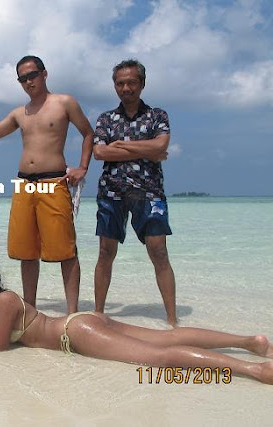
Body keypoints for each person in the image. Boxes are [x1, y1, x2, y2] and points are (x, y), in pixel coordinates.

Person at [0, 253, 273, 384]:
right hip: (81, 323)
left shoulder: (4, 301)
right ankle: (250, 342)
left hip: (75, 333)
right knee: (164, 339)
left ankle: (254, 371)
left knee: (160, 358)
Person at [0, 55, 94, 313]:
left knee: (66, 251)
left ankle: (72, 314)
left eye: (33, 75)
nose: (29, 81)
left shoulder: (64, 103)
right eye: (23, 78)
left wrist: (82, 168)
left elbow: (88, 133)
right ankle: (30, 309)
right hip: (24, 184)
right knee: (27, 252)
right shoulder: (20, 113)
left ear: (44, 74)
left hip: (54, 180)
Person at [92, 59, 176, 325]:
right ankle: (99, 314)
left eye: (131, 82)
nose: (125, 87)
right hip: (111, 192)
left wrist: (122, 146)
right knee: (106, 252)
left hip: (149, 191)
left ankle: (172, 319)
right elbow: (99, 152)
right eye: (120, 83)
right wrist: (148, 148)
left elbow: (161, 145)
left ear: (142, 83)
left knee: (159, 252)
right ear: (114, 85)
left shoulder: (157, 115)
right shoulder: (105, 118)